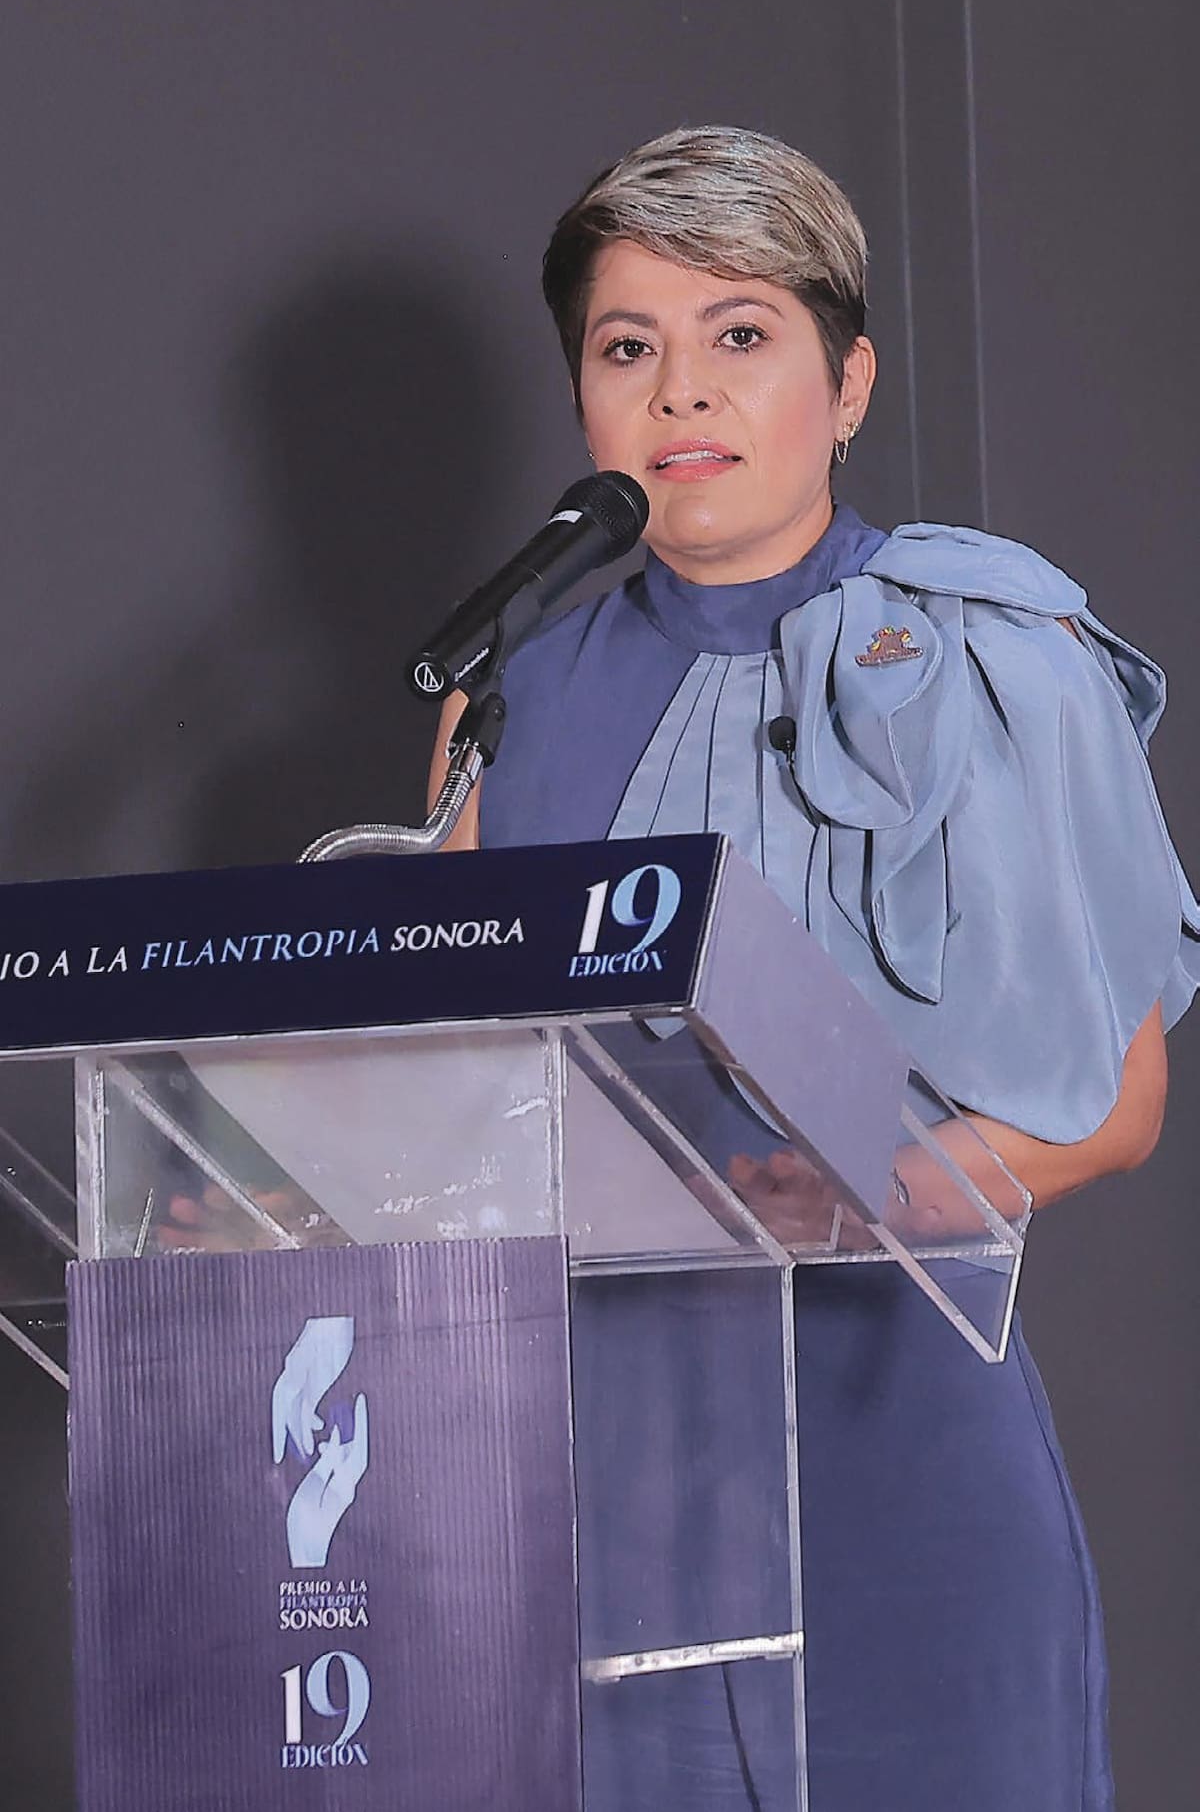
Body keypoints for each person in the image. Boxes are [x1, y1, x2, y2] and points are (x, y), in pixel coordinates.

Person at [430, 126, 1199, 1810]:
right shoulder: (514, 689)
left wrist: (892, 1193)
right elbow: (450, 1089)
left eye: (741, 335)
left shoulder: (998, 653)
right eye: (630, 348)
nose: (682, 392)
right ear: (584, 402)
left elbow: (1122, 1100)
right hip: (597, 1490)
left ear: (846, 385)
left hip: (895, 1437)